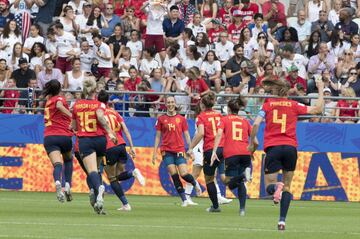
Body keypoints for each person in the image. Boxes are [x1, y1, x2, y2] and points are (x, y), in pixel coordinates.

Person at [248, 78, 325, 230]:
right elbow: (317, 110)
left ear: (275, 91)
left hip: (273, 148)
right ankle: (282, 221)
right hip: (290, 148)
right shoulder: (294, 105)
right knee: (287, 187)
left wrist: (252, 142)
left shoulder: (267, 105)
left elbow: (256, 123)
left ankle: (277, 187)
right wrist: (321, 88)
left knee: (269, 185)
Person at [71, 77, 117, 214]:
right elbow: (101, 118)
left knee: (91, 171)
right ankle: (98, 199)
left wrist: (77, 128)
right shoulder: (100, 105)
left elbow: (73, 126)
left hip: (86, 141)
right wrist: (110, 133)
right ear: (95, 89)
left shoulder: (77, 105)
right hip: (100, 140)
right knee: (97, 170)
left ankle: (97, 189)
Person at [97, 90, 145, 211]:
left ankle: (126, 204)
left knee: (112, 178)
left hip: (109, 146)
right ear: (108, 101)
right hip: (121, 145)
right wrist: (132, 147)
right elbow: (126, 130)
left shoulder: (98, 113)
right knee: (119, 175)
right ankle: (132, 173)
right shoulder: (115, 113)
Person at [152, 96, 201, 207]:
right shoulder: (161, 119)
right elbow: (157, 136)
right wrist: (155, 152)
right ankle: (184, 199)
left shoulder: (181, 119)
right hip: (166, 150)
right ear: (165, 104)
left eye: (172, 102)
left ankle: (195, 183)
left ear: (175, 103)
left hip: (179, 149)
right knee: (174, 175)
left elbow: (187, 135)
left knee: (183, 173)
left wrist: (190, 149)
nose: (170, 104)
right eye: (168, 102)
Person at [211, 96, 255, 216]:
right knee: (241, 183)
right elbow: (255, 141)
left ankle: (242, 176)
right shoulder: (245, 121)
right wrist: (252, 151)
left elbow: (219, 134)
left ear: (229, 109)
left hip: (232, 154)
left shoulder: (224, 120)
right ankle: (242, 210)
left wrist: (214, 151)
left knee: (229, 183)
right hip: (245, 153)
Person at [187, 92, 224, 213]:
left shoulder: (201, 117)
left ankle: (215, 206)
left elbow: (201, 133)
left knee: (209, 179)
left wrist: (191, 147)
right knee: (223, 176)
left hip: (209, 149)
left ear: (202, 104)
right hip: (223, 148)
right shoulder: (219, 115)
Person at [42, 80, 73, 202]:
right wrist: (71, 115)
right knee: (68, 160)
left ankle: (58, 182)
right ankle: (67, 185)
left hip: (50, 137)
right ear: (60, 88)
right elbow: (60, 106)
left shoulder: (48, 102)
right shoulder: (59, 99)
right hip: (64, 136)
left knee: (57, 164)